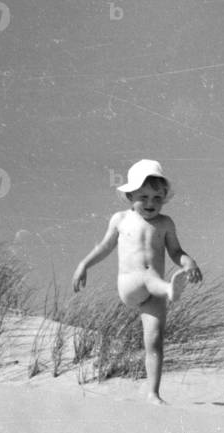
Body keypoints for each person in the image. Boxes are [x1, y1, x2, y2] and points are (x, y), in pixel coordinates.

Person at [72, 159, 202, 404]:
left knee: (154, 341)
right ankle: (170, 290)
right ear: (130, 195)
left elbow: (176, 251)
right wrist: (84, 265)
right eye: (144, 197)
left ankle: (153, 393)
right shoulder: (121, 219)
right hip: (131, 285)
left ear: (164, 198)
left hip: (154, 294)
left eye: (157, 198)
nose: (151, 203)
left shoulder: (166, 223)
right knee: (149, 278)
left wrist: (188, 262)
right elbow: (104, 247)